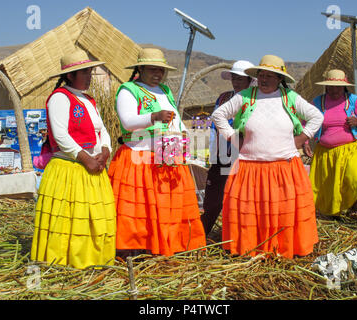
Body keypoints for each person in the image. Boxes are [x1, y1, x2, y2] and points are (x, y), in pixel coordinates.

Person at [212, 54, 324, 258]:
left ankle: (283, 246)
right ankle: (250, 246)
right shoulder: (246, 96)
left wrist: (302, 137)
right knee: (253, 210)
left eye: (270, 76)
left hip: (284, 167)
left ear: (280, 79)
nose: (264, 79)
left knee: (282, 209)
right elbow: (219, 115)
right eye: (261, 75)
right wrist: (231, 137)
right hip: (250, 166)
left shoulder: (290, 98)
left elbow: (316, 116)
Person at [108, 48, 206, 257]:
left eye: (161, 70)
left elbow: (176, 119)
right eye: (153, 69)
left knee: (167, 205)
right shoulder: (128, 90)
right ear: (140, 69)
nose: (158, 74)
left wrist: (184, 138)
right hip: (139, 156)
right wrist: (154, 117)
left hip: (167, 155)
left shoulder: (164, 91)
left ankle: (169, 245)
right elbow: (127, 121)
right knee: (139, 209)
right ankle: (137, 249)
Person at [30, 50, 116, 269]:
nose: (89, 76)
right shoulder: (59, 98)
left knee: (91, 216)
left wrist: (105, 152)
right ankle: (64, 261)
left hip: (94, 166)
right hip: (70, 168)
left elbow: (102, 129)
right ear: (70, 75)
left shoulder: (89, 100)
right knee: (69, 216)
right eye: (84, 72)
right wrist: (86, 159)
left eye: (90, 71)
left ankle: (93, 259)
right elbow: (60, 135)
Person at [305, 69, 357, 217]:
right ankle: (333, 211)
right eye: (330, 86)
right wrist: (305, 140)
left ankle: (353, 207)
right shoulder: (318, 102)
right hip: (326, 151)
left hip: (351, 149)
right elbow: (304, 121)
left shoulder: (352, 100)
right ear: (326, 86)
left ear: (344, 87)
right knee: (330, 183)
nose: (334, 90)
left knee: (353, 178)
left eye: (337, 87)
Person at [202, 60, 256, 236]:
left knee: (239, 198)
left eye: (241, 79)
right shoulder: (224, 98)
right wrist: (212, 151)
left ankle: (235, 236)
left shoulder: (255, 100)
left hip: (244, 157)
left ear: (249, 80)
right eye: (234, 78)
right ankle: (202, 234)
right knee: (213, 198)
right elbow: (214, 127)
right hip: (221, 155)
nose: (237, 82)